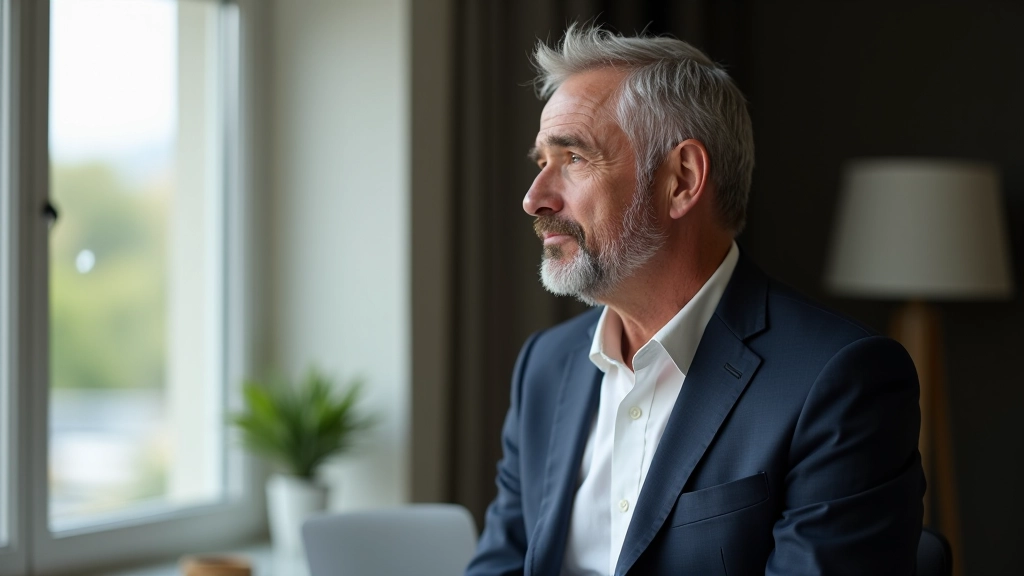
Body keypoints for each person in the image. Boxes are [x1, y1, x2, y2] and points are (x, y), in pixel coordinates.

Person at [464, 24, 925, 576]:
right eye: (541, 161)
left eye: (575, 159)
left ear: (682, 179)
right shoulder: (544, 367)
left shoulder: (841, 380)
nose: (534, 199)